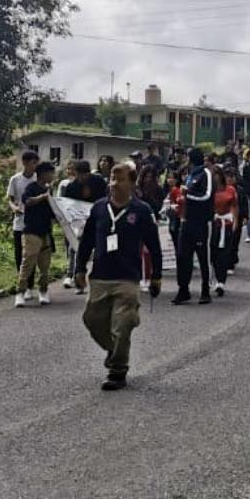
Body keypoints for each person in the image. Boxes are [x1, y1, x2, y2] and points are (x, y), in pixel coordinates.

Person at [75, 163, 162, 391]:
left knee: (121, 326)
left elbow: (154, 246)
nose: (114, 183)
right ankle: (114, 351)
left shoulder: (142, 211)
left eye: (120, 179)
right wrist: (79, 268)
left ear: (132, 183)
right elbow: (86, 241)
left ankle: (117, 370)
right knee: (92, 320)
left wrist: (156, 276)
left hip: (127, 278)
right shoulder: (99, 208)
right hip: (100, 276)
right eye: (112, 178)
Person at [173, 147, 213, 305]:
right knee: (183, 256)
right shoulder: (190, 175)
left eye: (187, 157)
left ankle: (205, 290)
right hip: (187, 221)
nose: (185, 161)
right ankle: (183, 290)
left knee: (203, 257)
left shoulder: (206, 174)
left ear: (191, 159)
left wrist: (187, 193)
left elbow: (207, 195)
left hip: (201, 222)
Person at [64, 160, 109, 294]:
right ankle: (79, 282)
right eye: (79, 175)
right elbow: (68, 205)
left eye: (85, 175)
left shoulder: (99, 182)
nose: (82, 178)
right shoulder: (71, 187)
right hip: (80, 223)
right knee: (81, 251)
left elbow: (106, 199)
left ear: (89, 173)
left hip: (98, 221)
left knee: (101, 251)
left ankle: (100, 281)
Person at [15, 161, 56, 307]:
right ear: (43, 174)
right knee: (28, 262)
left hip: (46, 232)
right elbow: (27, 201)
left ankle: (43, 291)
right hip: (31, 231)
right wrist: (42, 197)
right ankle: (20, 292)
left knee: (45, 265)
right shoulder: (31, 187)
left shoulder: (49, 190)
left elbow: (53, 212)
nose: (53, 176)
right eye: (51, 173)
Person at [6, 150, 39, 299]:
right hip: (19, 222)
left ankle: (29, 286)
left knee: (31, 255)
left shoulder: (38, 179)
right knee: (20, 255)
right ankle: (22, 284)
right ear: (25, 162)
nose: (35, 166)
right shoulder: (15, 179)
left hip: (34, 222)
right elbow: (10, 199)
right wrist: (14, 208)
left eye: (36, 163)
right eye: (33, 163)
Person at [209, 167, 239, 296]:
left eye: (217, 175)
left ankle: (221, 281)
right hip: (212, 224)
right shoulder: (208, 191)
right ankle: (215, 276)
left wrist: (235, 222)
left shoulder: (231, 189)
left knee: (224, 253)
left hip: (226, 224)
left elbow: (234, 206)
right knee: (213, 253)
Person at [136, 164, 165, 292]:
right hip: (136, 221)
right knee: (137, 251)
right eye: (145, 176)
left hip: (152, 220)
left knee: (150, 252)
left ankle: (148, 277)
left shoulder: (158, 189)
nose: (148, 179)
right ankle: (138, 277)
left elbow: (158, 206)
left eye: (150, 177)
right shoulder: (137, 188)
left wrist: (145, 197)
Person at [56, 160, 79, 289]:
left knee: (74, 247)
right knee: (69, 247)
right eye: (69, 169)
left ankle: (71, 275)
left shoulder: (81, 184)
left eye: (73, 169)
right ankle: (73, 272)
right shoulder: (63, 184)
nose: (70, 171)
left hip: (79, 220)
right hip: (67, 219)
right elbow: (59, 200)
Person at [163, 170, 184, 258]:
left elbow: (178, 205)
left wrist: (171, 207)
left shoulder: (176, 190)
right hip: (171, 217)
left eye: (172, 178)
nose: (170, 180)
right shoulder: (169, 190)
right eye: (168, 178)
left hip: (176, 218)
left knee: (177, 240)